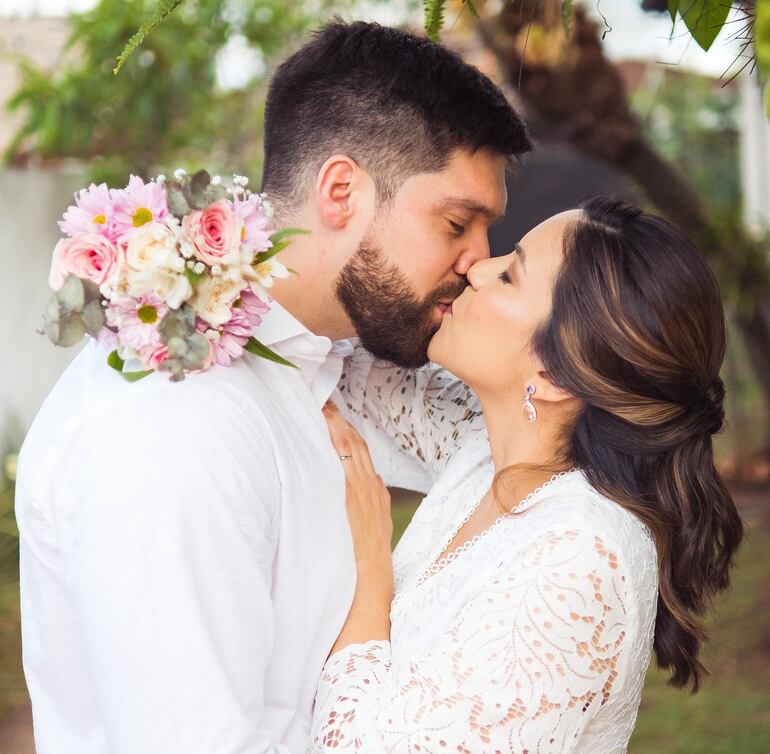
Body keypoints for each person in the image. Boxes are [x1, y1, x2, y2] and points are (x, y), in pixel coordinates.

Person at [15, 22, 530, 754]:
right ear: (342, 190)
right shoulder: (174, 426)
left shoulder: (333, 359)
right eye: (456, 223)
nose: (479, 262)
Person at [312, 197, 744, 753]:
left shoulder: (580, 559)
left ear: (555, 372)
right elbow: (348, 358)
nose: (476, 267)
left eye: (510, 274)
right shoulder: (484, 446)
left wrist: (370, 565)